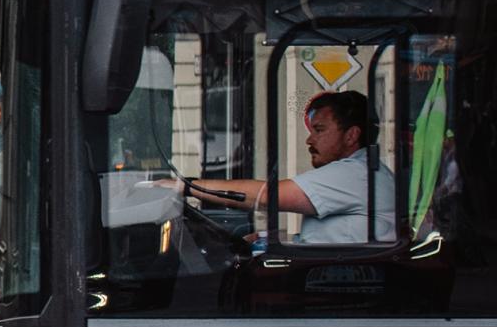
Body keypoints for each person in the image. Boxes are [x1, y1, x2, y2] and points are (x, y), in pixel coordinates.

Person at [166, 90, 395, 244]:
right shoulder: (364, 171)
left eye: (320, 130)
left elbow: (266, 197)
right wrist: (274, 238)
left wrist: (183, 186)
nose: (309, 140)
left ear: (351, 135)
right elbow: (333, 235)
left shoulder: (355, 174)